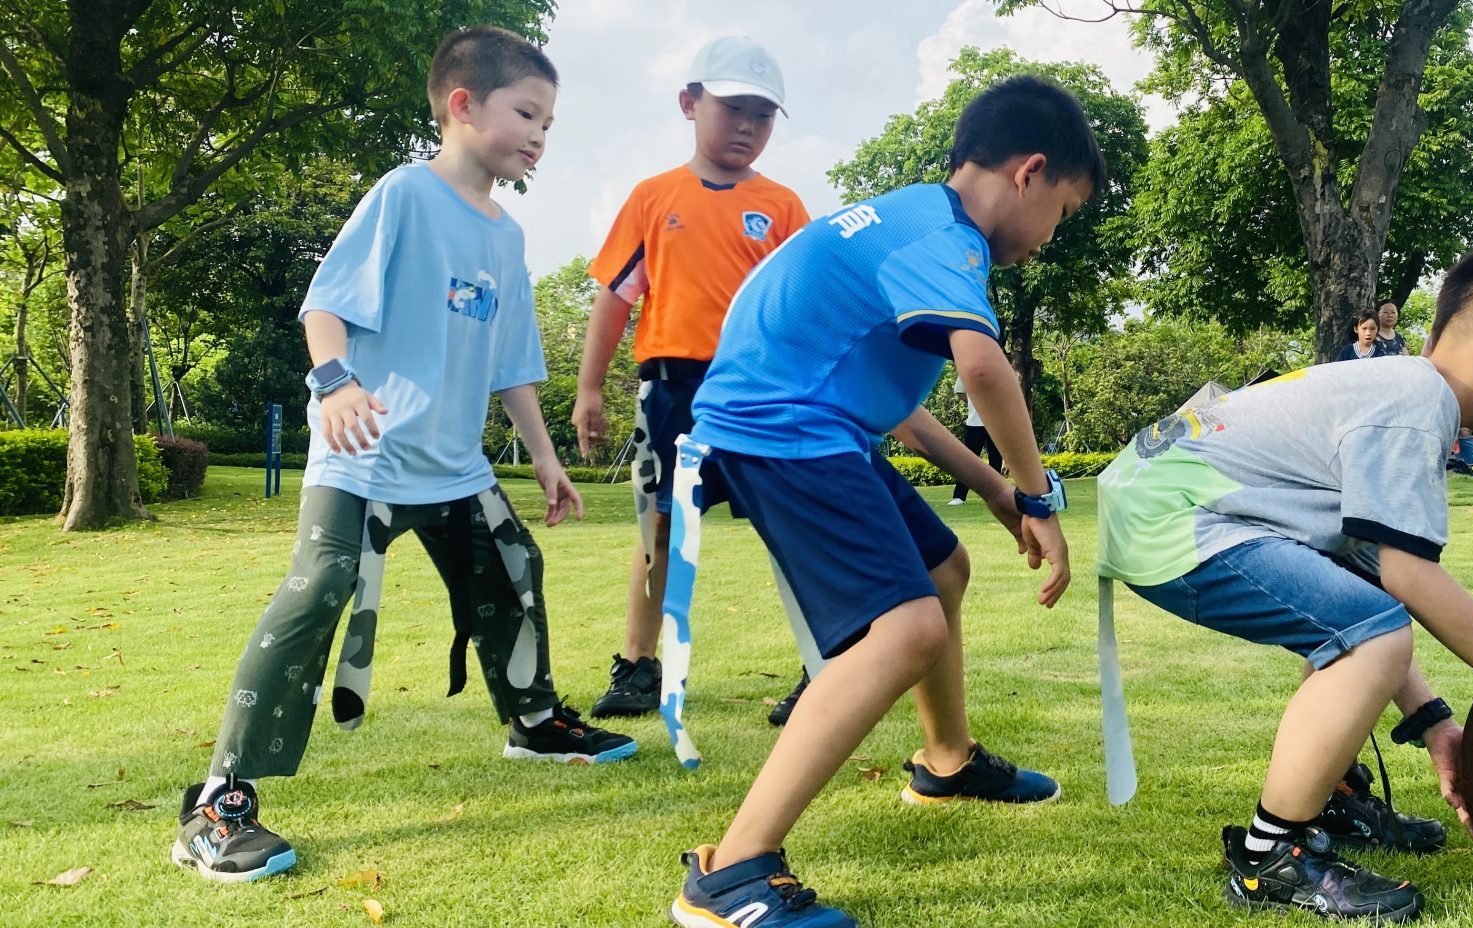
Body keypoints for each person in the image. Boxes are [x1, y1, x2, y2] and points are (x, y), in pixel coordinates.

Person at [170, 26, 635, 884]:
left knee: (513, 567)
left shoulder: (507, 237)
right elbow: (323, 309)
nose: (540, 134)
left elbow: (514, 367)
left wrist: (544, 458)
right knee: (318, 592)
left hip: (455, 467)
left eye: (550, 122)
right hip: (364, 458)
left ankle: (533, 722)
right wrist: (337, 383)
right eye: (527, 113)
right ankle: (217, 804)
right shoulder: (403, 196)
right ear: (463, 106)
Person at [667, 75, 1088, 928]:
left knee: (943, 569)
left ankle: (947, 762)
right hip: (782, 430)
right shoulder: (948, 239)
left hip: (807, 422)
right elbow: (983, 369)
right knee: (907, 629)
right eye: (1064, 213)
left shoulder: (906, 222)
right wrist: (1042, 500)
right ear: (1029, 172)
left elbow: (894, 404)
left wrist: (997, 491)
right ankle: (731, 873)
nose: (1050, 238)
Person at [1097, 238, 1473, 923]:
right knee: (1370, 635)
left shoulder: (1398, 390)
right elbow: (1410, 581)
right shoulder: (1416, 401)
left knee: (1359, 622)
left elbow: (1378, 585)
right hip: (1173, 517)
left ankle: (1329, 798)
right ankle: (1270, 856)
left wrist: (1435, 726)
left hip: (1155, 503)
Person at [570, 37, 811, 720]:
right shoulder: (653, 198)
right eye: (733, 107)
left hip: (762, 393)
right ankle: (639, 668)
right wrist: (589, 388)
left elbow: (805, 306)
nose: (747, 126)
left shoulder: (786, 207)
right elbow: (615, 298)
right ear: (689, 103)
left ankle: (822, 664)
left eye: (763, 115)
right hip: (672, 391)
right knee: (660, 532)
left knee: (792, 527)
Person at [948, 373, 1005, 505]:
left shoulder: (997, 366)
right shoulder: (965, 367)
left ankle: (997, 495)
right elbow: (960, 391)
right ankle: (959, 496)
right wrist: (974, 404)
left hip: (995, 423)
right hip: (974, 422)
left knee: (995, 460)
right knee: (968, 461)